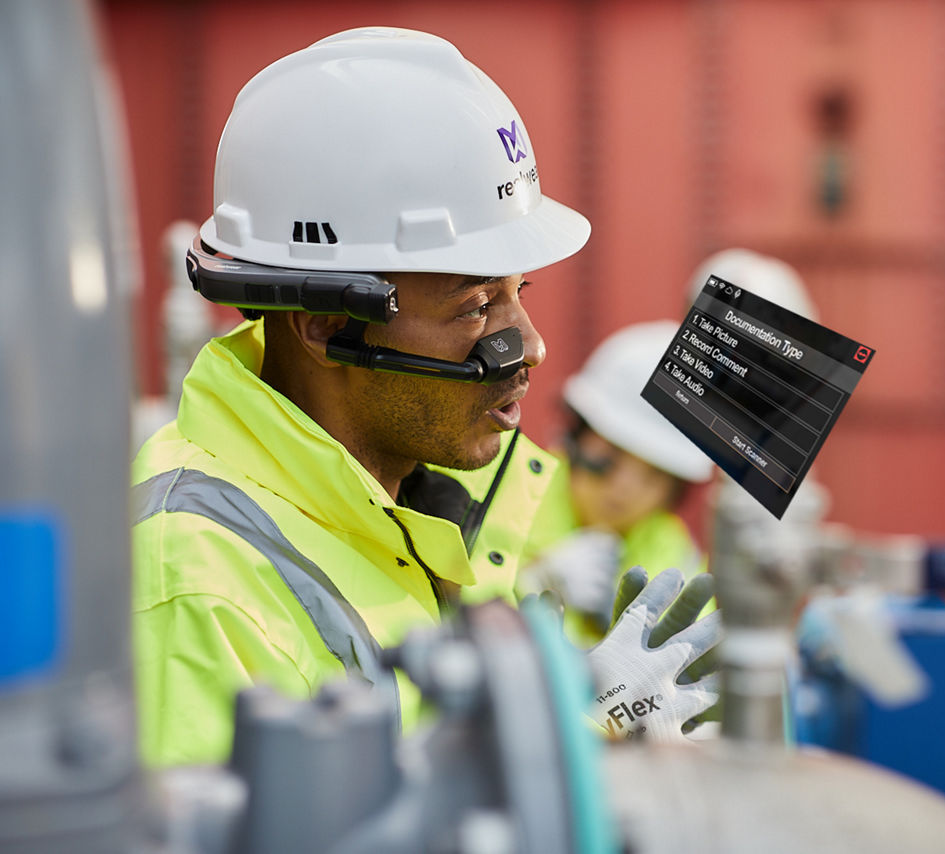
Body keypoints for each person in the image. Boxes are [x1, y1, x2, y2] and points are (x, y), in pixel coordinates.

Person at [131, 27, 717, 765]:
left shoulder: (418, 495)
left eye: (518, 292)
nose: (530, 345)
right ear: (327, 326)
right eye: (476, 307)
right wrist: (573, 746)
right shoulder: (194, 586)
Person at [519, 321, 714, 644]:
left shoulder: (675, 555)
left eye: (654, 474)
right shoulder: (503, 498)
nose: (626, 488)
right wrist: (533, 585)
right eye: (614, 455)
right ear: (578, 436)